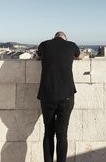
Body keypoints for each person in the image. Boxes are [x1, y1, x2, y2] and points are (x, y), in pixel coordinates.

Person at [37, 31, 83, 162]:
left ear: (54, 37)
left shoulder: (44, 45)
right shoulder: (71, 45)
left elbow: (38, 56)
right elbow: (80, 56)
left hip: (47, 95)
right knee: (62, 134)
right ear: (65, 38)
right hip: (66, 96)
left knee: (48, 132)